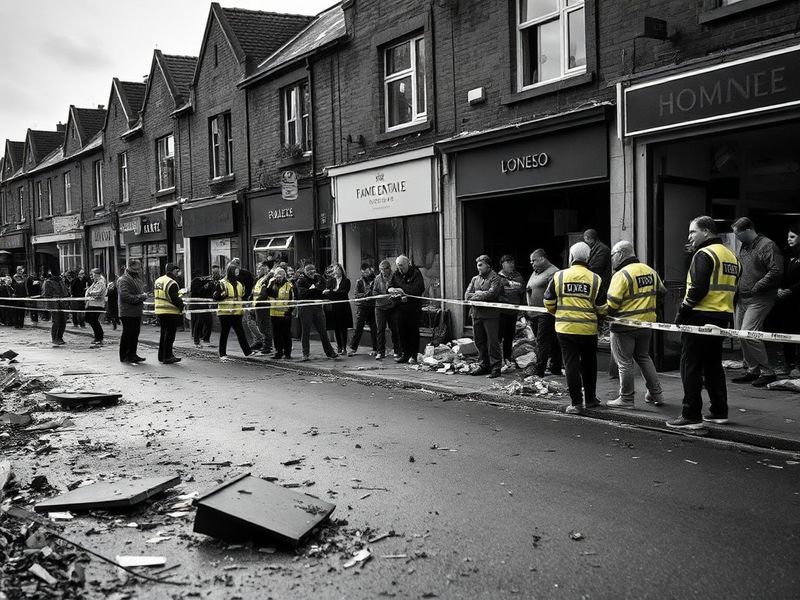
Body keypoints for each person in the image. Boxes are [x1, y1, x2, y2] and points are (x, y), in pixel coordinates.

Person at [667, 216, 741, 430]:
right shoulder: (732, 257)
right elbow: (735, 291)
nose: (689, 236)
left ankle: (691, 414)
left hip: (699, 316)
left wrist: (682, 312)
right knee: (713, 365)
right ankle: (719, 411)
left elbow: (697, 289)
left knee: (690, 365)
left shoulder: (704, 254)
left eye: (692, 232)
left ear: (707, 231)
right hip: (722, 316)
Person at [543, 241, 607, 414]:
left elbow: (548, 301)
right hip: (588, 329)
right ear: (588, 257)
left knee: (571, 364)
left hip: (565, 328)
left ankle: (576, 404)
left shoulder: (559, 276)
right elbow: (602, 308)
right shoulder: (596, 279)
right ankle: (591, 400)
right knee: (589, 364)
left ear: (571, 257)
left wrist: (559, 312)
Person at [605, 241, 666, 408]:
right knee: (644, 357)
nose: (612, 259)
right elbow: (662, 292)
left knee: (624, 362)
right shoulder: (650, 271)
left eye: (613, 255)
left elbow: (612, 304)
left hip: (624, 326)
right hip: (647, 324)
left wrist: (604, 316)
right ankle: (656, 394)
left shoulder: (621, 275)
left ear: (620, 254)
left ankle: (626, 399)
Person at [730, 217, 783, 387]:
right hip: (743, 297)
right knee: (741, 334)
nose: (736, 237)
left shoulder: (767, 245)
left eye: (738, 234)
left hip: (760, 297)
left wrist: (758, 286)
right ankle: (752, 369)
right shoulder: (745, 246)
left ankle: (767, 371)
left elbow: (776, 270)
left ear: (747, 230)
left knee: (749, 333)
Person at [464, 255, 504, 378]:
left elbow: (492, 293)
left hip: (490, 315)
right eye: (477, 265)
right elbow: (466, 295)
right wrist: (480, 294)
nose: (478, 267)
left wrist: (477, 294)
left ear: (488, 265)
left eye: (481, 265)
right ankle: (483, 365)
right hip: (476, 314)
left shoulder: (495, 278)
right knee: (479, 341)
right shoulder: (475, 279)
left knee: (492, 342)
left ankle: (496, 367)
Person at [527, 249, 562, 377]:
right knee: (552, 340)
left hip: (546, 313)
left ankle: (539, 371)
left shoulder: (554, 272)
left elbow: (554, 294)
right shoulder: (536, 272)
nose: (531, 263)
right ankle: (555, 367)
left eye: (534, 260)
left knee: (542, 341)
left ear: (542, 258)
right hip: (534, 313)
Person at [295, 263, 338, 360]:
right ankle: (305, 354)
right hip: (306, 307)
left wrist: (313, 290)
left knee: (323, 330)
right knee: (306, 331)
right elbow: (302, 294)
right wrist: (315, 290)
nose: (311, 272)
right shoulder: (301, 281)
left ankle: (330, 352)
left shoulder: (319, 278)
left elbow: (322, 289)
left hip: (318, 307)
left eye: (313, 269)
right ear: (305, 272)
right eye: (308, 270)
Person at [389, 255, 425, 363]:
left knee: (413, 331)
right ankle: (405, 353)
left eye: (401, 266)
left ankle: (413, 355)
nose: (400, 269)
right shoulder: (396, 273)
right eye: (398, 266)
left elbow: (418, 289)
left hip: (413, 307)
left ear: (407, 264)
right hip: (400, 307)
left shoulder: (416, 273)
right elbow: (390, 284)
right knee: (400, 330)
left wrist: (402, 289)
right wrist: (390, 289)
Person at [213, 263, 252, 361]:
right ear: (231, 272)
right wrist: (223, 295)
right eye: (235, 271)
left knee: (240, 332)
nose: (237, 272)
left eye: (237, 271)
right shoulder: (222, 283)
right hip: (225, 312)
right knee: (225, 333)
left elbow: (242, 296)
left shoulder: (239, 284)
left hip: (237, 312)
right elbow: (215, 297)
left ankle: (247, 352)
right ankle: (222, 353)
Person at [776, 223, 800, 378]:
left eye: (792, 237)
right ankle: (788, 363)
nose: (789, 239)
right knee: (786, 331)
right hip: (786, 300)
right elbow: (779, 273)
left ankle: (798, 365)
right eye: (788, 237)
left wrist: (791, 289)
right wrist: (779, 288)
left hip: (798, 298)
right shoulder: (786, 254)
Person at [117, 259, 148, 364]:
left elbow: (137, 291)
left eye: (140, 268)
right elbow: (126, 296)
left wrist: (141, 294)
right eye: (137, 268)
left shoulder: (136, 278)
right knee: (127, 334)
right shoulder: (123, 280)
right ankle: (125, 355)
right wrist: (141, 297)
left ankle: (132, 354)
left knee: (134, 334)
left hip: (136, 311)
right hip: (127, 312)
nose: (139, 270)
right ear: (131, 267)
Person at [498, 254, 525, 373]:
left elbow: (522, 290)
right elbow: (498, 291)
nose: (511, 265)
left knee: (509, 337)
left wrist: (522, 312)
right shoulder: (498, 276)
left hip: (513, 312)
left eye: (512, 262)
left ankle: (507, 358)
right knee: (499, 337)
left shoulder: (518, 276)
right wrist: (512, 287)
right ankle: (499, 361)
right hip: (501, 312)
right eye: (508, 262)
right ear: (503, 264)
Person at [154, 263, 184, 364]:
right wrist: (181, 306)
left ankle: (161, 356)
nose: (178, 273)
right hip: (170, 311)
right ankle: (167, 356)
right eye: (177, 271)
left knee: (163, 334)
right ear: (172, 271)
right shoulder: (172, 282)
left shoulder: (159, 280)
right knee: (170, 335)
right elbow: (174, 298)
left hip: (160, 310)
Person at [371, 259, 399, 360]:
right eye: (381, 270)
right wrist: (381, 296)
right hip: (380, 307)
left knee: (394, 329)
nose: (382, 272)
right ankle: (380, 352)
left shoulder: (395, 276)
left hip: (392, 307)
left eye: (384, 269)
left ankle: (397, 350)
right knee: (380, 329)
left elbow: (398, 289)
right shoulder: (377, 278)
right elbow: (374, 291)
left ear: (389, 268)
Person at [265, 267, 295, 359]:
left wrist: (290, 311)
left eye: (280, 277)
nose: (278, 278)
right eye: (277, 276)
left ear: (284, 276)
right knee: (276, 335)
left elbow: (292, 299)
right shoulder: (272, 284)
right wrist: (269, 282)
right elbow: (267, 294)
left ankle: (287, 353)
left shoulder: (289, 285)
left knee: (286, 334)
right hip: (274, 313)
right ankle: (278, 352)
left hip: (285, 314)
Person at [348, 263, 378, 356]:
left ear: (371, 270)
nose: (365, 274)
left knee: (374, 328)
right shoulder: (359, 281)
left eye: (367, 272)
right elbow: (357, 295)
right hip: (363, 306)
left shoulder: (376, 279)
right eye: (363, 272)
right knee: (358, 328)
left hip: (373, 306)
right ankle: (353, 348)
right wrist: (366, 295)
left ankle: (376, 349)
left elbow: (378, 292)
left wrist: (371, 295)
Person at [324, 263, 353, 355]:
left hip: (343, 307)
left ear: (342, 271)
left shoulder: (346, 281)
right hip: (334, 308)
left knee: (343, 328)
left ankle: (344, 347)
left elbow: (343, 293)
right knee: (336, 328)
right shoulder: (331, 281)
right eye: (335, 270)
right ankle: (339, 347)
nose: (336, 271)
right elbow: (325, 293)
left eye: (338, 269)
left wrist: (331, 292)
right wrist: (333, 292)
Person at [190, 268, 217, 347]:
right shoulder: (195, 281)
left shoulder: (209, 282)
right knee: (199, 322)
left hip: (205, 304)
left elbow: (211, 292)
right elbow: (195, 293)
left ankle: (206, 338)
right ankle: (196, 340)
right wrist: (204, 288)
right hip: (197, 304)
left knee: (209, 321)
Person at [251, 261, 274, 355]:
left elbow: (264, 293)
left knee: (265, 327)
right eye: (257, 269)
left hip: (263, 306)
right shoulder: (259, 279)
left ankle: (268, 346)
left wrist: (257, 302)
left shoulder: (267, 279)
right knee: (260, 327)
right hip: (257, 306)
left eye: (259, 269)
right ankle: (263, 344)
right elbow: (255, 292)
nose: (257, 271)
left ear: (265, 269)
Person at [42, 267, 68, 346]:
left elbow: (65, 292)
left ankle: (60, 337)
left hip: (63, 303)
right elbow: (46, 294)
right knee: (56, 321)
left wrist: (65, 298)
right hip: (54, 304)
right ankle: (55, 338)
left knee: (63, 321)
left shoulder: (61, 281)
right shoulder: (48, 282)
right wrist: (54, 298)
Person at [84, 268, 107, 346]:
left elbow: (98, 292)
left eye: (93, 274)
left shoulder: (101, 282)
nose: (91, 276)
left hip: (97, 304)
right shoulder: (95, 282)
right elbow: (88, 290)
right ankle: (98, 335)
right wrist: (88, 292)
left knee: (93, 320)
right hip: (92, 303)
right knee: (88, 319)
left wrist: (89, 292)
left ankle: (99, 336)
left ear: (97, 274)